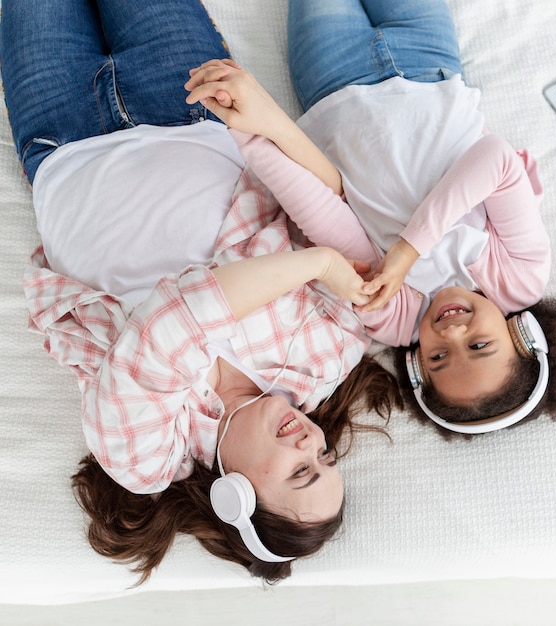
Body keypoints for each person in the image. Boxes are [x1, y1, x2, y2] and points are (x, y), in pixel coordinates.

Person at [0, 0, 402, 583]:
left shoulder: (145, 456)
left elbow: (171, 322)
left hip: (60, 139)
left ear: (236, 497)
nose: (312, 442)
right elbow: (331, 209)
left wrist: (314, 264)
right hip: (187, 101)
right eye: (326, 456)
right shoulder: (326, 359)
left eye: (300, 470)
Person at [185, 0, 556, 435]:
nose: (452, 334)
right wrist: (406, 252)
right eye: (479, 345)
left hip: (334, 81)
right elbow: (497, 161)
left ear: (416, 366)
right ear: (522, 336)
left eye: (438, 358)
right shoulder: (519, 277)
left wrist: (252, 133)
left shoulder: (392, 318)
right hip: (428, 59)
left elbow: (327, 208)